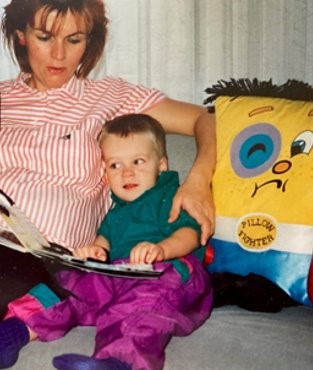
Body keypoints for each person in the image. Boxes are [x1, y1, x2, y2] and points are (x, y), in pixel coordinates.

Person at [0, 0, 215, 364]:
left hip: (45, 262)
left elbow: (206, 118)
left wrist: (198, 179)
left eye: (74, 39)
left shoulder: (110, 97)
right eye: (44, 36)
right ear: (20, 35)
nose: (59, 53)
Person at [0, 113, 213, 370]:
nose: (127, 172)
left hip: (170, 274)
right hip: (119, 274)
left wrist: (162, 249)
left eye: (138, 161)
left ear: (162, 165)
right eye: (115, 165)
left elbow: (189, 235)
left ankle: (118, 361)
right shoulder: (116, 211)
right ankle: (12, 333)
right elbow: (104, 240)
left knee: (142, 305)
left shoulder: (171, 196)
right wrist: (95, 251)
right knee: (69, 286)